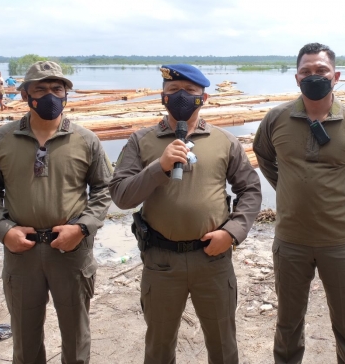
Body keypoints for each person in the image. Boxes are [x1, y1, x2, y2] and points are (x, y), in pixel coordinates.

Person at [110, 64, 261, 364]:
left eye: (190, 92)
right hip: (161, 261)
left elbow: (250, 191)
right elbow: (121, 195)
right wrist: (158, 167)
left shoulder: (224, 141)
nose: (181, 97)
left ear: (203, 98)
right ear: (163, 97)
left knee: (223, 344)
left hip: (213, 260)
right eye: (173, 92)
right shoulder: (141, 141)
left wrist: (231, 233)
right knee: (159, 346)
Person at [0, 61, 112, 364]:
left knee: (76, 337)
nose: (50, 95)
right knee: (24, 338)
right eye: (40, 89)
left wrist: (83, 227)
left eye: (56, 89)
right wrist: (3, 230)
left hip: (71, 251)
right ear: (26, 95)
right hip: (21, 252)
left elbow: (104, 189)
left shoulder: (86, 140)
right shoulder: (4, 139)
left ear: (65, 95)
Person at [253, 43, 345, 364]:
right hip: (290, 242)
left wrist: (343, 195)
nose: (314, 76)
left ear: (335, 76)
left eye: (321, 71)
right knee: (288, 324)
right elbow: (264, 156)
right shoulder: (276, 119)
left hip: (338, 242)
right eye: (306, 72)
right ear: (296, 78)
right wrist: (286, 188)